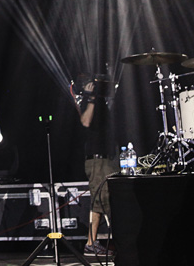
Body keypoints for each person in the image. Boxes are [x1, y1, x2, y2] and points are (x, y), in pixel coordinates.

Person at [76, 74, 115, 258]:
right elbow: (85, 121)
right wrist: (90, 97)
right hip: (96, 160)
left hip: (106, 158)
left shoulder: (102, 104)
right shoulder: (86, 101)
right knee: (99, 201)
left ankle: (92, 242)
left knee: (103, 200)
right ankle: (91, 243)